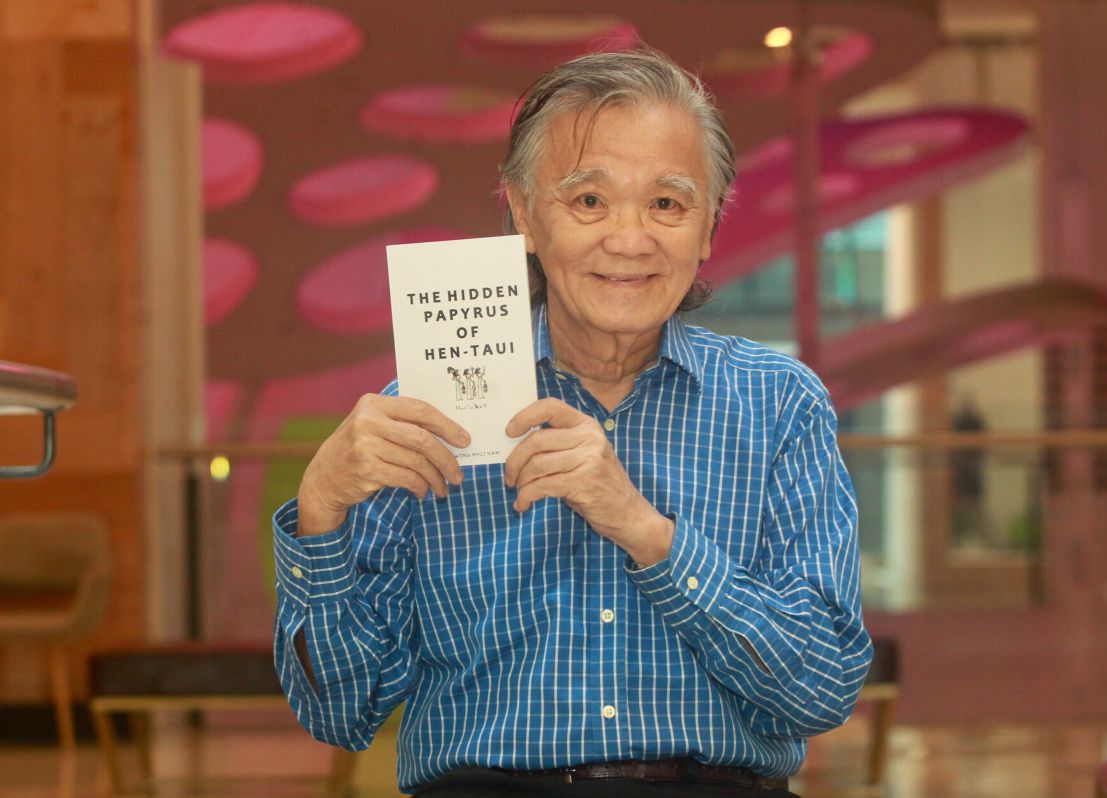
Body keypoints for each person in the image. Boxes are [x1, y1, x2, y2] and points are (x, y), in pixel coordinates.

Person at [273, 48, 871, 797]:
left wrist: (648, 533)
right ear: (525, 214)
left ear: (709, 227)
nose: (629, 239)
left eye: (667, 204)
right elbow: (340, 712)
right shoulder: (428, 412)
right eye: (589, 201)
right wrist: (322, 514)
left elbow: (822, 687)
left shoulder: (779, 403)